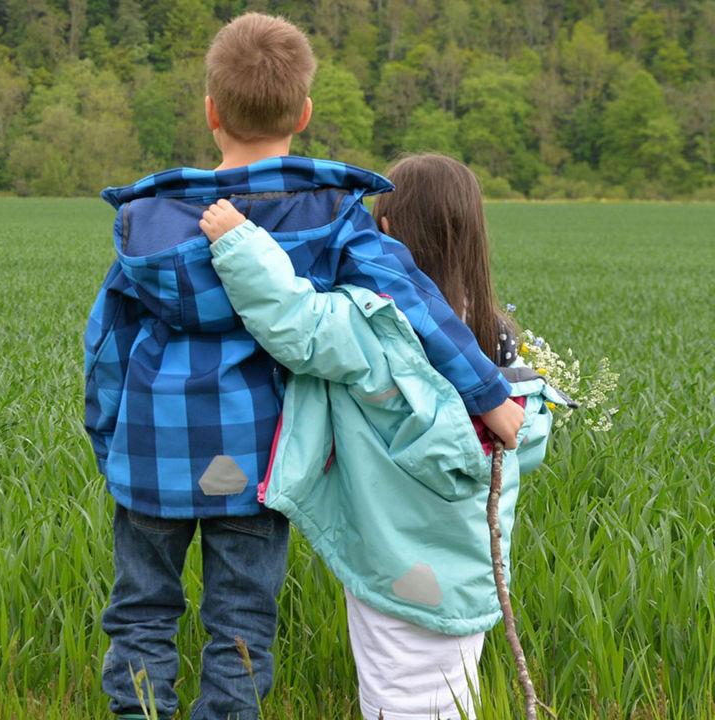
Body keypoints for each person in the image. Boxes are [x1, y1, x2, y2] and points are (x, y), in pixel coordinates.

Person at [83, 11, 524, 719]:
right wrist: (488, 393)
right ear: (305, 113)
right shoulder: (330, 213)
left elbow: (106, 345)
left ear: (211, 111)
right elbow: (413, 302)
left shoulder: (148, 221)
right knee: (241, 621)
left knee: (140, 610)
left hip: (151, 452)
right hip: (258, 460)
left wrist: (110, 440)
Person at [199, 153, 568, 720]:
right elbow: (516, 441)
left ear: (386, 232)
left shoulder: (376, 323)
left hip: (394, 559)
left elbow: (296, 322)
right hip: (470, 566)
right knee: (451, 695)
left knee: (400, 699)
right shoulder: (493, 337)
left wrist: (239, 242)